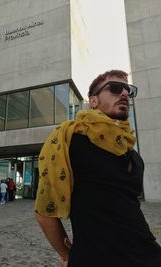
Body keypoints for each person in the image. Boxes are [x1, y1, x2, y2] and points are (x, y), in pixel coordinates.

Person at [34, 70, 161, 267]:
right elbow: (44, 212)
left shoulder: (132, 153)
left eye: (128, 90)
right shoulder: (71, 140)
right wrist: (67, 255)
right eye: (115, 88)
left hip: (149, 255)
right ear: (93, 101)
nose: (124, 94)